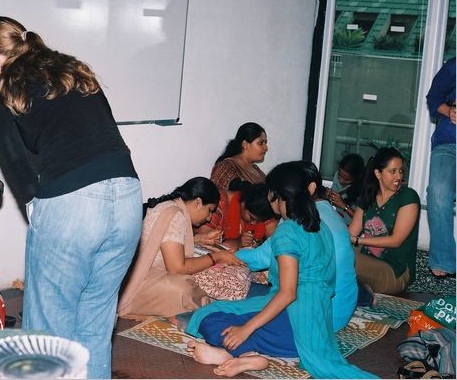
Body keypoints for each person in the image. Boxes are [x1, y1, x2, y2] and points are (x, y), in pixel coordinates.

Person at [0, 16, 143, 378]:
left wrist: (35, 206)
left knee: (47, 333)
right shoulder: (72, 70)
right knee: (95, 325)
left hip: (73, 205)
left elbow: (14, 160)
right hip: (128, 196)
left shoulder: (0, 87)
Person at [184, 162, 375, 378]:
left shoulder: (287, 232)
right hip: (317, 327)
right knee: (229, 311)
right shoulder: (319, 225)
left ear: (274, 195)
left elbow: (288, 293)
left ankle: (232, 354)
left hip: (293, 327)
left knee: (210, 317)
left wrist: (246, 329)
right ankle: (247, 355)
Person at [236, 161, 358, 332]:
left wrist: (224, 254)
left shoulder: (296, 220)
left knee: (231, 297)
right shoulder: (331, 214)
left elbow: (259, 260)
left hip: (317, 317)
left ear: (310, 189)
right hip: (342, 309)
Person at [117, 177, 244, 318]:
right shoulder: (175, 214)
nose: (209, 218)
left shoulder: (172, 207)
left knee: (195, 281)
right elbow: (177, 268)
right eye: (210, 210)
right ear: (197, 202)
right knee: (185, 289)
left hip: (144, 275)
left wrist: (199, 239)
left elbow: (165, 242)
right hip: (142, 281)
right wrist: (216, 257)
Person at [348, 147, 420, 295]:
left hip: (395, 271)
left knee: (344, 257)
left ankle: (361, 293)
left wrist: (358, 240)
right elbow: (351, 233)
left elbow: (396, 240)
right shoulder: (369, 196)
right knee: (335, 250)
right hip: (368, 260)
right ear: (378, 173)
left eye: (401, 171)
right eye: (393, 171)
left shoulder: (408, 197)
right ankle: (362, 293)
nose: (398, 176)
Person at [426, 57, 456, 279]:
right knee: (437, 192)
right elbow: (434, 97)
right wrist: (449, 111)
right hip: (448, 143)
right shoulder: (455, 66)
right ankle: (443, 260)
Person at [210, 123, 267, 191]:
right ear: (245, 144)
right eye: (260, 143)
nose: (266, 148)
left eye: (265, 142)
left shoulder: (256, 169)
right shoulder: (225, 167)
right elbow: (216, 195)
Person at [326, 153, 365, 225]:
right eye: (339, 176)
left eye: (347, 180)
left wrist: (344, 206)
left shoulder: (363, 190)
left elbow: (364, 221)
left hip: (351, 227)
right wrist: (328, 196)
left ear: (357, 177)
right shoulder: (338, 175)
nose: (341, 181)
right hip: (337, 222)